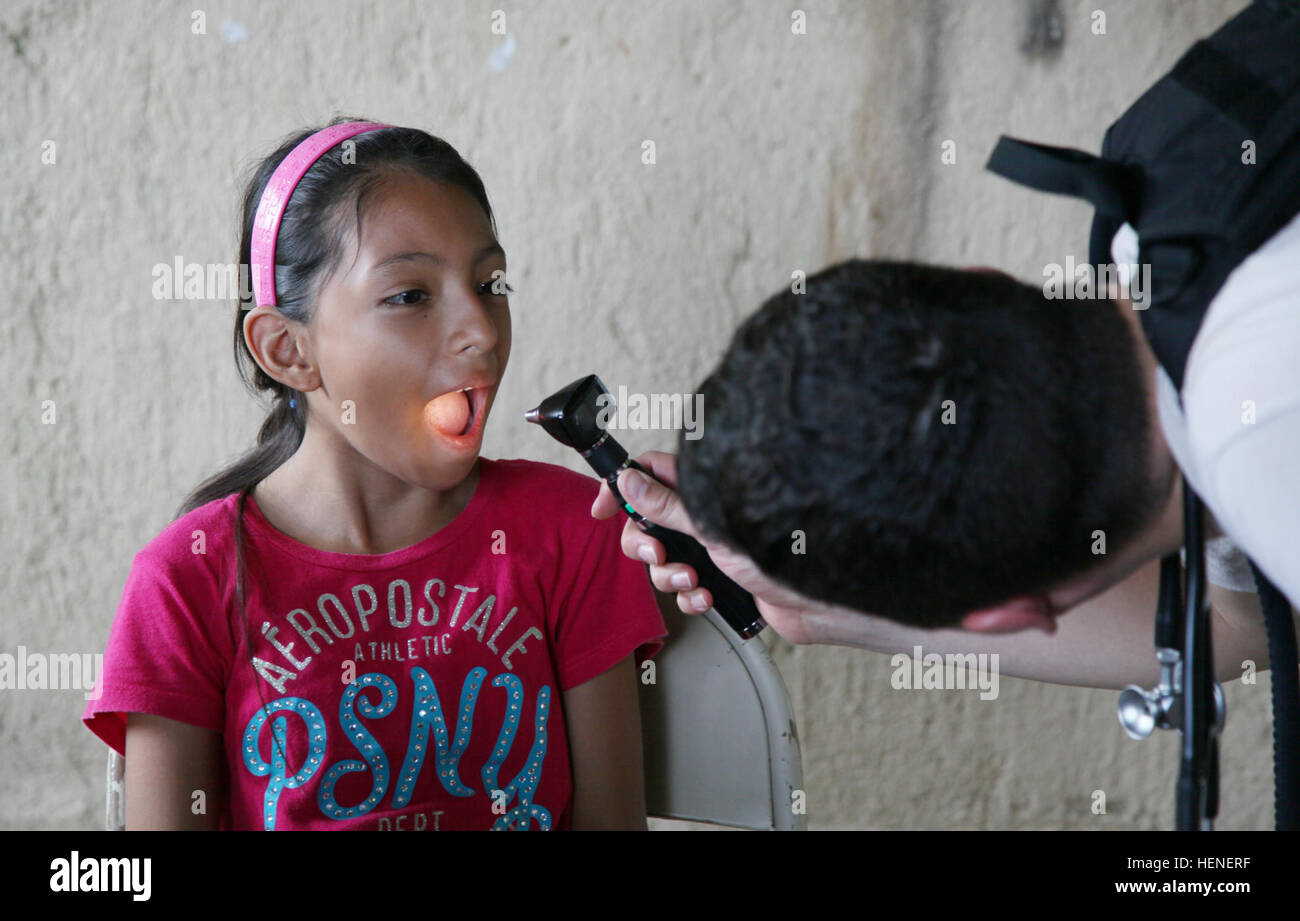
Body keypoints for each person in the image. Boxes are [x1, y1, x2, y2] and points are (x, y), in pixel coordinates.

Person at [83, 118, 666, 831]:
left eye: (489, 282)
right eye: (411, 296)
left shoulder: (578, 529)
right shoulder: (186, 580)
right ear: (290, 349)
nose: (481, 329)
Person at [591, 227, 1300, 689]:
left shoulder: (1269, 468)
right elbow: (1251, 625)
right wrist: (812, 611)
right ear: (981, 274)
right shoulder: (1160, 204)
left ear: (1010, 614)